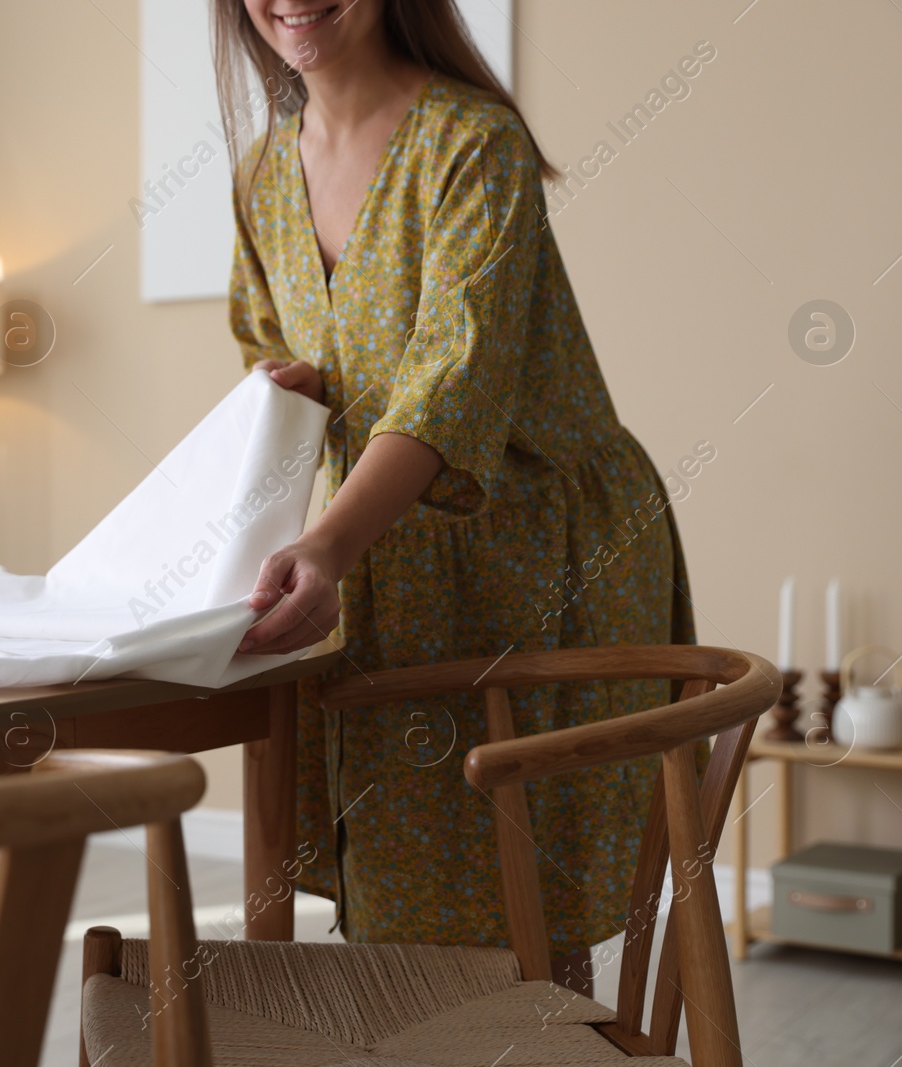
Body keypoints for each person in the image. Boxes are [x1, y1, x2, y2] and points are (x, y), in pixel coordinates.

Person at [219, 0, 695, 996]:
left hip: (538, 548)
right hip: (379, 549)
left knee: (524, 910)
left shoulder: (472, 142)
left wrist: (329, 543)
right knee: (401, 897)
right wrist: (290, 390)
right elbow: (273, 345)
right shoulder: (262, 177)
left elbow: (454, 379)